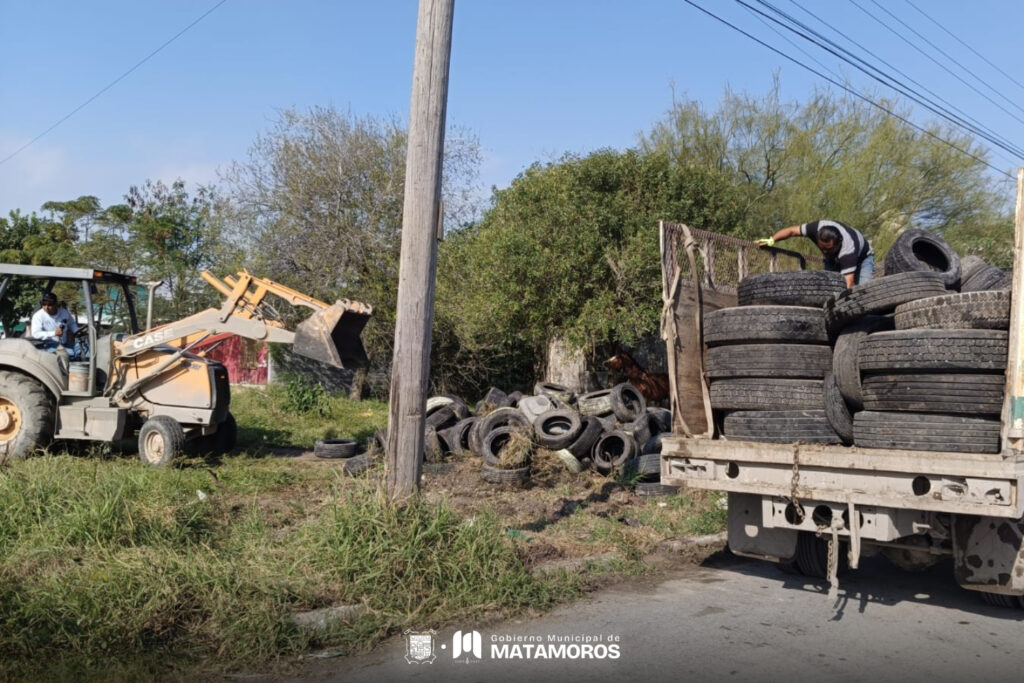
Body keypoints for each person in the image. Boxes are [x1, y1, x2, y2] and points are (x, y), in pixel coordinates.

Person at [756, 219, 874, 288]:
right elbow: (791, 231)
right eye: (822, 249)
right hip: (833, 259)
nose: (825, 251)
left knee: (863, 290)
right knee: (830, 287)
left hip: (863, 259)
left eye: (829, 249)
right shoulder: (815, 228)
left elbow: (849, 284)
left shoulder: (848, 250)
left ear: (839, 243)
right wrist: (772, 240)